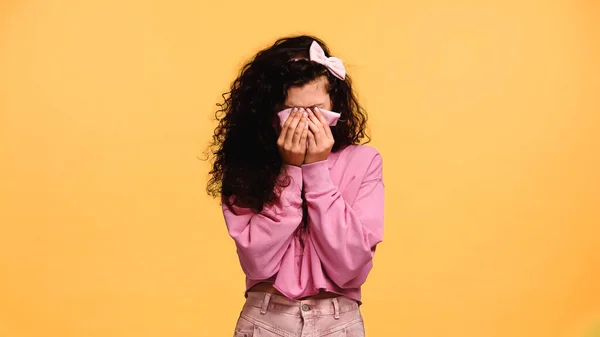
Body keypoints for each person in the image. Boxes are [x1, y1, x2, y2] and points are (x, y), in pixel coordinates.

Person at [207, 35, 384, 337]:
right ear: (268, 113)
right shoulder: (245, 166)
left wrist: (316, 171)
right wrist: (290, 172)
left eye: (317, 110)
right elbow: (258, 264)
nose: (306, 122)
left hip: (338, 321)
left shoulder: (364, 161)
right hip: (265, 319)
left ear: (335, 104)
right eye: (292, 112)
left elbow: (351, 269)